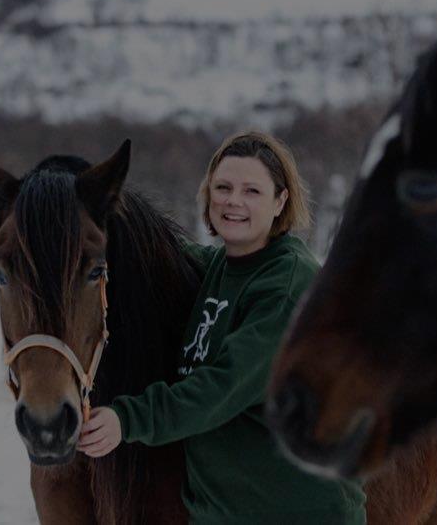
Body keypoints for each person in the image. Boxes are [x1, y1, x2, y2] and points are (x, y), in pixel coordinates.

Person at [77, 131, 367, 524]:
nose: (234, 200)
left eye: (252, 191)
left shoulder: (286, 287)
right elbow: (164, 251)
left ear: (280, 202)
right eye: (223, 187)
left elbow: (218, 389)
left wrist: (127, 419)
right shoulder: (221, 267)